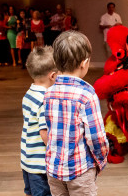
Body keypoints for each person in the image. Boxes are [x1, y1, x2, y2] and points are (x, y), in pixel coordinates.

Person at [44, 31, 109, 195]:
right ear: (84, 63)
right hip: (80, 169)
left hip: (53, 168)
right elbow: (96, 137)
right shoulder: (87, 95)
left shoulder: (48, 93)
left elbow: (50, 129)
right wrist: (101, 159)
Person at [21, 46, 57, 196]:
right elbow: (44, 133)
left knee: (31, 192)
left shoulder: (29, 94)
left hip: (27, 159)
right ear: (53, 76)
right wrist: (57, 151)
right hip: (40, 165)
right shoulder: (45, 100)